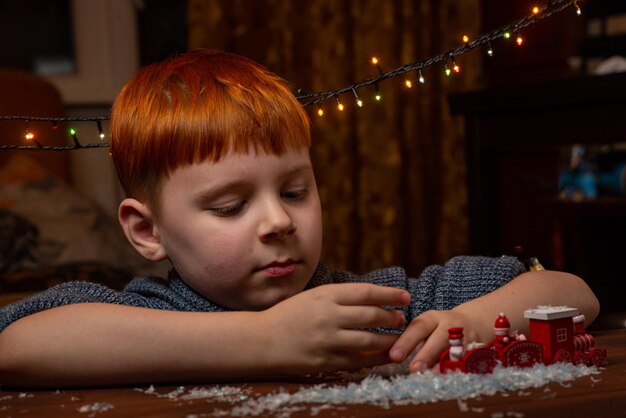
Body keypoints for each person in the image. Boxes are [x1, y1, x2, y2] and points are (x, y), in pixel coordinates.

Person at [0, 49, 599, 388]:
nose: (277, 221)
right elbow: (16, 347)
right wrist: (265, 340)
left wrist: (462, 321)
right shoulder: (140, 316)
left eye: (294, 191)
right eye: (230, 206)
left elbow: (572, 292)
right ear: (147, 232)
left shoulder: (367, 310)